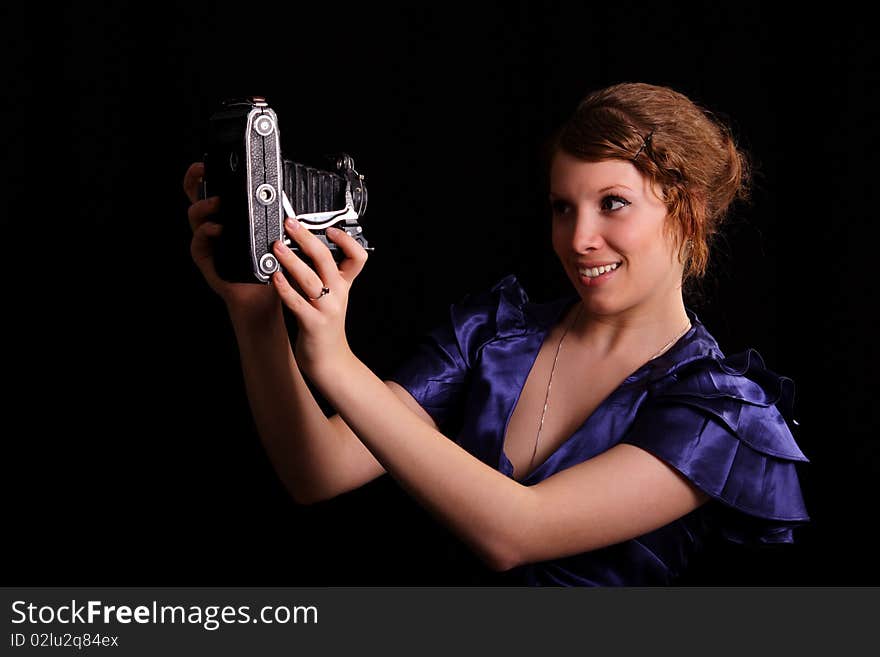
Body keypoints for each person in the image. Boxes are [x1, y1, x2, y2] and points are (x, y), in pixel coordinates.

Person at [183, 81, 810, 586]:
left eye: (612, 203)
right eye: (563, 207)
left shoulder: (724, 411)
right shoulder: (494, 335)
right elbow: (316, 469)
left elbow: (514, 534)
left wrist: (335, 361)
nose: (578, 238)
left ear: (688, 209)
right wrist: (257, 313)